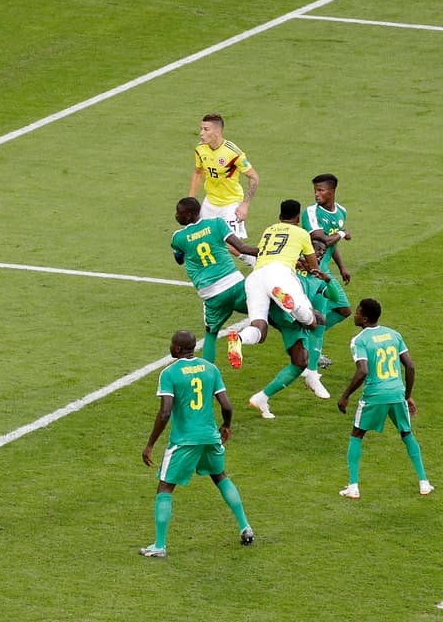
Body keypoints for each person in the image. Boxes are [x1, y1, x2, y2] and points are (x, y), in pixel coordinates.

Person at [140, 331, 254, 557]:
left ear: (178, 349)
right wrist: (226, 425)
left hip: (184, 441)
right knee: (220, 476)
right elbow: (227, 405)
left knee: (165, 487)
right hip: (210, 436)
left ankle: (160, 546)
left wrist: (150, 444)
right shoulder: (210, 369)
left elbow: (165, 413)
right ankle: (245, 527)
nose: (171, 347)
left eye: (172, 344)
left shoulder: (170, 373)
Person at [336, 299, 432, 500]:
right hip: (397, 392)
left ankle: (353, 486)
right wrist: (407, 396)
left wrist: (345, 396)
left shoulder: (359, 340)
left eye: (357, 312)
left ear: (365, 317)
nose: (354, 314)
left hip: (375, 394)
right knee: (407, 433)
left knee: (357, 434)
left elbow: (362, 371)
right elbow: (411, 367)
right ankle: (424, 482)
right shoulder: (394, 335)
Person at [225, 200, 328, 369]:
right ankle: (291, 304)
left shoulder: (269, 230)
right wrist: (308, 266)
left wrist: (296, 260)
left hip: (256, 277)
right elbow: (314, 267)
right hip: (280, 275)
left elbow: (269, 252)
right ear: (297, 217)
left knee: (259, 327)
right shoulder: (301, 233)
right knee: (311, 322)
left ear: (280, 216)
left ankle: (240, 339)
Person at [247, 262, 344, 418]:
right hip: (280, 312)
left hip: (290, 322)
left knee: (300, 362)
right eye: (316, 250)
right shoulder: (288, 270)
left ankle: (262, 397)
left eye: (321, 251)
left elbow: (334, 296)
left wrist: (328, 280)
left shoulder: (317, 280)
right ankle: (295, 308)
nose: (319, 254)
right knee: (315, 322)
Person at [168, 197, 258, 362]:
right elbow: (242, 248)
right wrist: (269, 252)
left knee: (211, 333)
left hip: (211, 294)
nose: (176, 216)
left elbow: (179, 259)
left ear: (188, 216)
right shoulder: (216, 223)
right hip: (235, 284)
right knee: (263, 313)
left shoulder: (177, 237)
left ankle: (209, 373)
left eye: (178, 213)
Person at [301, 173, 354, 372]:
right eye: (315, 190)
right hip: (312, 273)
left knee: (344, 310)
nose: (316, 194)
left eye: (321, 190)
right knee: (320, 319)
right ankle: (311, 366)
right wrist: (342, 233)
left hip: (326, 271)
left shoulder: (341, 211)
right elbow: (321, 239)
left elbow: (332, 245)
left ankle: (306, 343)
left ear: (331, 192)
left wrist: (341, 267)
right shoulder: (311, 212)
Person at [187, 113, 260, 240]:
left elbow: (254, 177)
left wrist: (245, 205)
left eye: (206, 129)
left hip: (230, 205)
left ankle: (254, 261)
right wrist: (190, 199)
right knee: (202, 241)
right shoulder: (200, 149)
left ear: (217, 132)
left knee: (233, 246)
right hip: (209, 204)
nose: (201, 133)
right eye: (201, 129)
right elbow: (198, 172)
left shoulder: (233, 152)